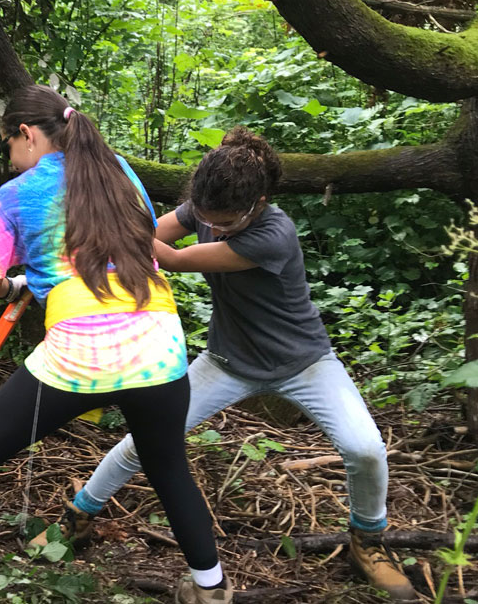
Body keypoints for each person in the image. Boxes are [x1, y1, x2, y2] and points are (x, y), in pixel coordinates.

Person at [0, 85, 231, 604]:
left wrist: (19, 285)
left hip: (82, 355)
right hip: (159, 346)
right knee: (168, 465)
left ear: (26, 134)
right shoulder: (122, 175)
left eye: (8, 144)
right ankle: (211, 589)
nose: (11, 157)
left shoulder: (14, 196)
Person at [34, 127, 416, 601]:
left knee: (365, 449)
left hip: (304, 362)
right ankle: (78, 518)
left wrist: (114, 224)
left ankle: (368, 542)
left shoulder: (274, 234)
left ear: (257, 202)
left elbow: (169, 258)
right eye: (208, 217)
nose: (217, 225)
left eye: (227, 222)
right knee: (143, 442)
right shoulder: (205, 206)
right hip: (227, 361)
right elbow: (154, 234)